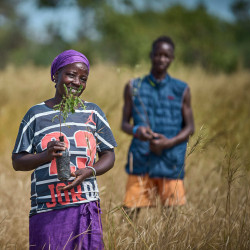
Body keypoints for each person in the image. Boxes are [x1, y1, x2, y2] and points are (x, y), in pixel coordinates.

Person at [12, 50, 117, 249]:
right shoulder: (36, 115)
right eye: (70, 75)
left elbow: (109, 155)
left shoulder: (93, 112)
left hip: (85, 205)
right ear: (55, 75)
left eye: (83, 78)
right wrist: (45, 156)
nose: (77, 82)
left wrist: (90, 171)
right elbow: (17, 161)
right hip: (48, 208)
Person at [121, 36, 195, 217]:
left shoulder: (181, 89)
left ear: (172, 58)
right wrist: (137, 130)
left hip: (170, 161)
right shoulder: (134, 87)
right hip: (141, 159)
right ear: (151, 55)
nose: (162, 59)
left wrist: (168, 143)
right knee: (131, 212)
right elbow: (124, 124)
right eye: (158, 54)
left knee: (172, 216)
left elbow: (190, 128)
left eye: (166, 55)